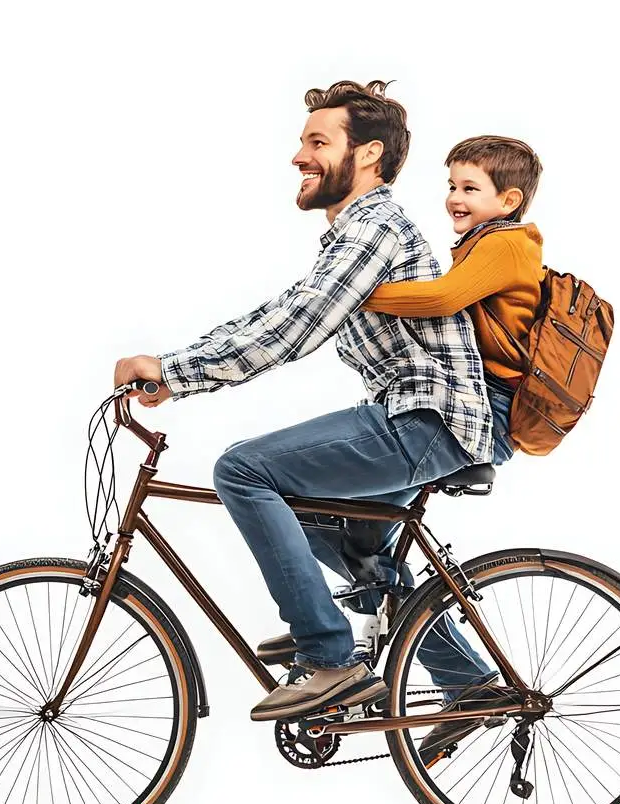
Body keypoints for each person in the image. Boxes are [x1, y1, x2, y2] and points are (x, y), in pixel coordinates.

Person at [111, 80, 496, 723]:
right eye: (301, 143)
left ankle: (328, 657)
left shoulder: (374, 229)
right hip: (423, 418)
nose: (298, 157)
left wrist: (177, 373)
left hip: (426, 418)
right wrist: (176, 364)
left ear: (367, 155)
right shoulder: (356, 234)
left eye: (318, 142)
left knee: (243, 470)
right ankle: (470, 687)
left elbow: (298, 328)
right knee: (342, 534)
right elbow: (279, 312)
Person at [354, 134, 547, 762]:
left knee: (355, 531)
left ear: (509, 199)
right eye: (452, 185)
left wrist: (356, 293)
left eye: (470, 188)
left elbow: (440, 300)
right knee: (362, 536)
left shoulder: (509, 246)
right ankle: (460, 679)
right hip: (463, 401)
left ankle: (367, 640)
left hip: (476, 410)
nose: (453, 199)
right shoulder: (483, 243)